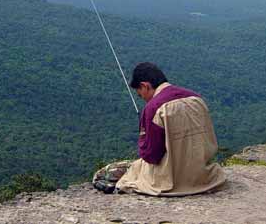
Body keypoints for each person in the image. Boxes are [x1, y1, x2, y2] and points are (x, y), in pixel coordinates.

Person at [93, 62, 226, 196]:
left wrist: (143, 139)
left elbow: (151, 155)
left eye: (140, 94)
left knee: (106, 174)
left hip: (171, 179)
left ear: (145, 86)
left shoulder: (154, 108)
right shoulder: (196, 98)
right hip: (203, 175)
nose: (143, 99)